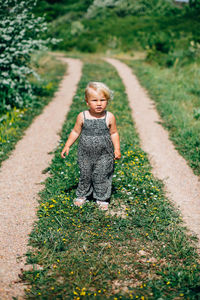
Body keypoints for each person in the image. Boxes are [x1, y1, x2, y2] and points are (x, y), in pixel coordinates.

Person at [61, 81, 121, 210]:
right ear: (87, 102)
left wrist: (117, 149)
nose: (99, 104)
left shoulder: (109, 117)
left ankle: (101, 197)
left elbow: (114, 133)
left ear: (107, 101)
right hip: (85, 153)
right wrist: (67, 146)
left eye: (102, 100)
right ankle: (83, 195)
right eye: (94, 100)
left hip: (105, 153)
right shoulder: (82, 116)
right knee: (85, 174)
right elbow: (75, 131)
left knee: (102, 174)